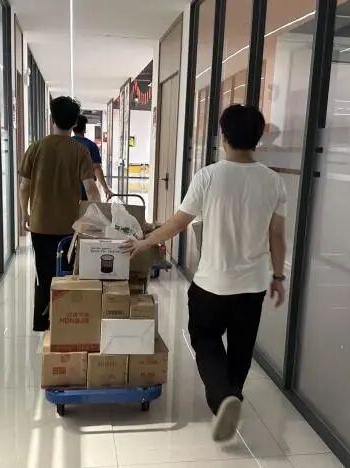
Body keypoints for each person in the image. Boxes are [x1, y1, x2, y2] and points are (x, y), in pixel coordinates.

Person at [123, 104, 287, 442]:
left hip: (212, 283)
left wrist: (144, 242)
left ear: (223, 137)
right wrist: (279, 277)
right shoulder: (273, 182)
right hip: (254, 285)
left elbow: (178, 223)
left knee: (206, 339)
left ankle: (224, 397)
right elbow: (277, 236)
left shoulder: (209, 176)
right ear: (257, 139)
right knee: (241, 347)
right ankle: (232, 394)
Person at [19, 96, 101, 332]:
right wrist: (97, 219)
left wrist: (25, 214)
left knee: (43, 274)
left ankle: (42, 322)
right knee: (68, 275)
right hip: (69, 229)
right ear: (74, 123)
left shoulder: (35, 148)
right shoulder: (80, 151)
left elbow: (24, 187)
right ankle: (66, 323)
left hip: (40, 225)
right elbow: (91, 189)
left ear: (52, 118)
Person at [73, 114, 114, 200]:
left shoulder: (66, 144)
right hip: (86, 190)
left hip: (68, 190)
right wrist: (105, 188)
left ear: (73, 128)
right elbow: (96, 168)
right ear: (84, 129)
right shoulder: (91, 145)